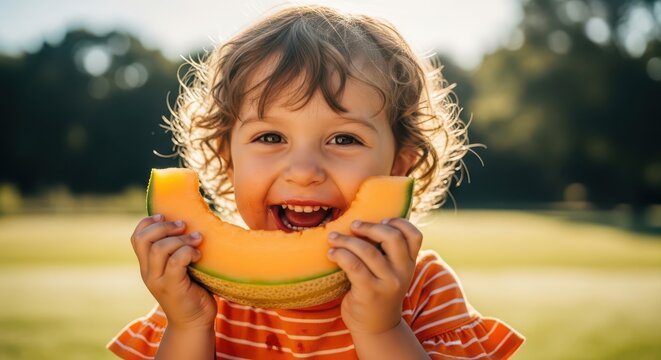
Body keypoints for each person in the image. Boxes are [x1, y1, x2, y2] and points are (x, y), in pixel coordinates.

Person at [107, 5, 524, 359]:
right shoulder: (193, 294)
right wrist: (189, 325)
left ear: (398, 167)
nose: (304, 170)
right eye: (271, 137)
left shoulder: (423, 290)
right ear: (227, 158)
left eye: (344, 139)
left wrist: (382, 329)